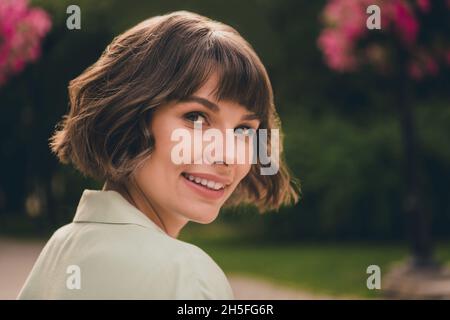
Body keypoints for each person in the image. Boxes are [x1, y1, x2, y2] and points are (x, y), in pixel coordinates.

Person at [18, 10, 299, 299]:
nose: (227, 155)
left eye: (243, 130)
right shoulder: (187, 274)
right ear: (129, 117)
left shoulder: (60, 249)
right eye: (196, 118)